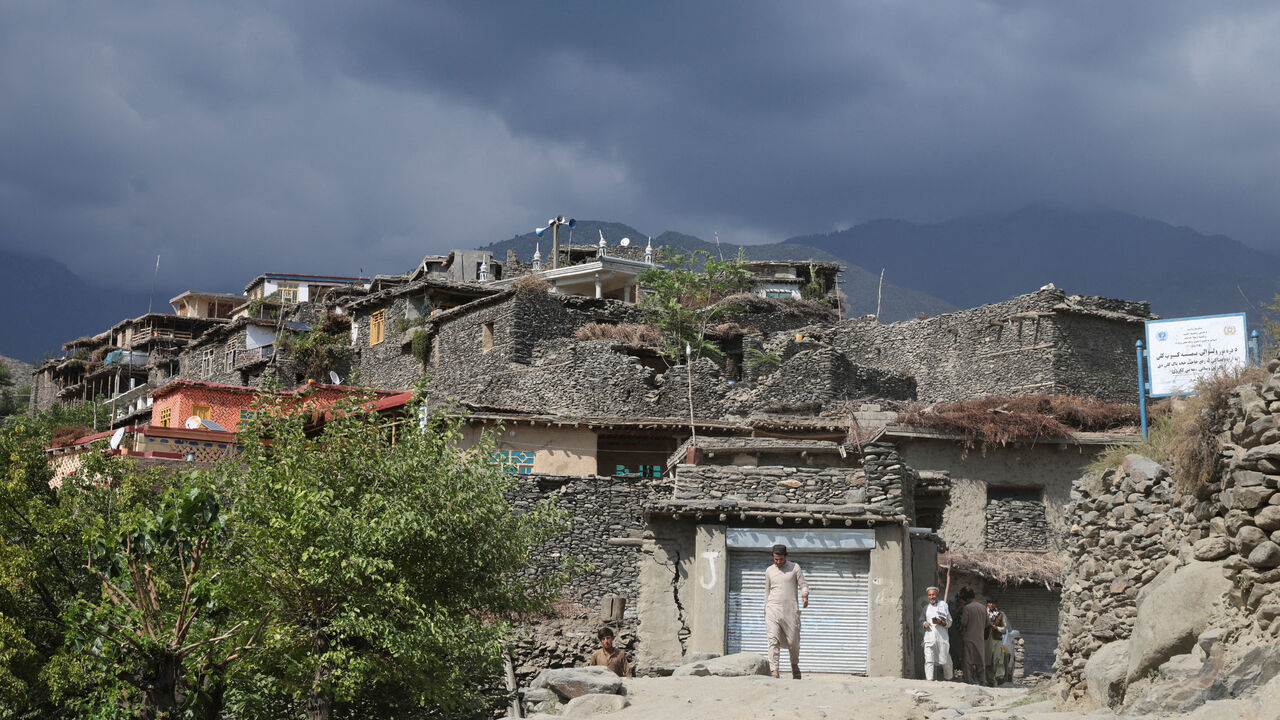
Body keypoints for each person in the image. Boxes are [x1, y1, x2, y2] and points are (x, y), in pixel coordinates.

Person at [764, 543, 809, 679]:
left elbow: (803, 585)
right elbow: (767, 590)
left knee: (793, 642)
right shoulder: (769, 571)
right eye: (776, 559)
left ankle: (794, 666)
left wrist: (804, 595)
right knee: (773, 639)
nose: (778, 562)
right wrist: (765, 607)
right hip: (773, 608)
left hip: (791, 610)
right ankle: (774, 671)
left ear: (786, 557)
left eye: (781, 559)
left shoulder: (795, 568)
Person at [920, 586, 952, 681]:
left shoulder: (943, 606)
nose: (931, 597)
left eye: (933, 594)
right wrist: (924, 623)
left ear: (937, 595)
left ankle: (948, 679)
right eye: (929, 595)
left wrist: (941, 623)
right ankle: (930, 679)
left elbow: (949, 622)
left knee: (945, 659)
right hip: (929, 637)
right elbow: (921, 619)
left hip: (942, 638)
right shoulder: (926, 608)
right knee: (929, 659)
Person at [960, 588, 988, 685]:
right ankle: (983, 681)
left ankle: (969, 681)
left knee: (968, 661)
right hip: (980, 638)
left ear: (966, 598)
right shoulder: (983, 608)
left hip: (969, 638)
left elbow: (964, 622)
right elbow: (987, 623)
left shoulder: (967, 608)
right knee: (980, 660)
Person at [984, 598, 1007, 685]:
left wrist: (997, 628)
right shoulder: (984, 613)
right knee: (987, 660)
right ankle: (989, 679)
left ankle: (998, 677)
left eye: (993, 603)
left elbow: (1004, 628)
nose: (992, 605)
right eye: (990, 603)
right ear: (987, 604)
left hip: (996, 639)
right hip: (986, 639)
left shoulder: (1000, 614)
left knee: (997, 659)